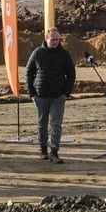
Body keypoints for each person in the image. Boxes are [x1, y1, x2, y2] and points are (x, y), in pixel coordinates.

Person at [25, 28, 76, 163]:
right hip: (40, 96)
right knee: (42, 124)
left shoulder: (64, 54)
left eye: (58, 39)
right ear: (46, 39)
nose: (55, 42)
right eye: (53, 39)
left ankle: (54, 152)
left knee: (56, 125)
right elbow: (29, 72)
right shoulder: (37, 53)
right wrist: (32, 94)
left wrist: (66, 93)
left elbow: (71, 74)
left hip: (58, 96)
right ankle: (43, 150)